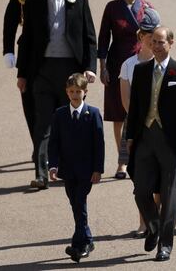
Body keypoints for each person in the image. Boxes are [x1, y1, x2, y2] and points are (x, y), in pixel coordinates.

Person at [126, 27, 176, 261]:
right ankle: (154, 227)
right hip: (145, 138)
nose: (157, 46)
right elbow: (135, 107)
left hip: (171, 142)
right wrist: (129, 137)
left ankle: (165, 245)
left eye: (161, 42)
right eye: (153, 42)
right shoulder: (141, 70)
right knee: (141, 191)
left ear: (171, 43)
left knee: (169, 195)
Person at [16, 0, 97, 190]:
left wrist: (90, 66)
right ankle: (41, 175)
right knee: (42, 123)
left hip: (70, 70)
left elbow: (89, 37)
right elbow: (26, 38)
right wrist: (22, 74)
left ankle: (68, 169)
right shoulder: (34, 1)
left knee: (68, 122)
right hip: (43, 70)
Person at [48, 73, 104, 263]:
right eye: (71, 91)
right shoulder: (59, 114)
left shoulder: (93, 113)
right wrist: (53, 165)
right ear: (66, 92)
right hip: (67, 170)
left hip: (87, 171)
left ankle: (79, 246)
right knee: (75, 204)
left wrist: (98, 169)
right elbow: (53, 143)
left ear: (85, 92)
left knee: (79, 203)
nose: (74, 95)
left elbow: (99, 144)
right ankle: (87, 239)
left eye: (78, 91)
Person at [98, 0, 153, 179]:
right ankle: (123, 161)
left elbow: (156, 36)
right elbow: (104, 38)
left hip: (142, 63)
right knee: (119, 115)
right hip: (117, 63)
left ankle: (142, 157)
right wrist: (103, 67)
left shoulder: (146, 6)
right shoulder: (112, 7)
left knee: (143, 111)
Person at [118, 7, 161, 239]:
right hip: (136, 129)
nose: (152, 39)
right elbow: (126, 101)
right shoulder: (128, 65)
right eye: (148, 34)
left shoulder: (166, 66)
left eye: (156, 35)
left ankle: (157, 218)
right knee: (140, 179)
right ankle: (144, 222)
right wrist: (140, 126)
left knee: (160, 178)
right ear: (141, 36)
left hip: (160, 129)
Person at [3, 0, 35, 151]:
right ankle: (39, 144)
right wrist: (8, 50)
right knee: (29, 100)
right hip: (29, 52)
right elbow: (11, 17)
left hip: (58, 52)